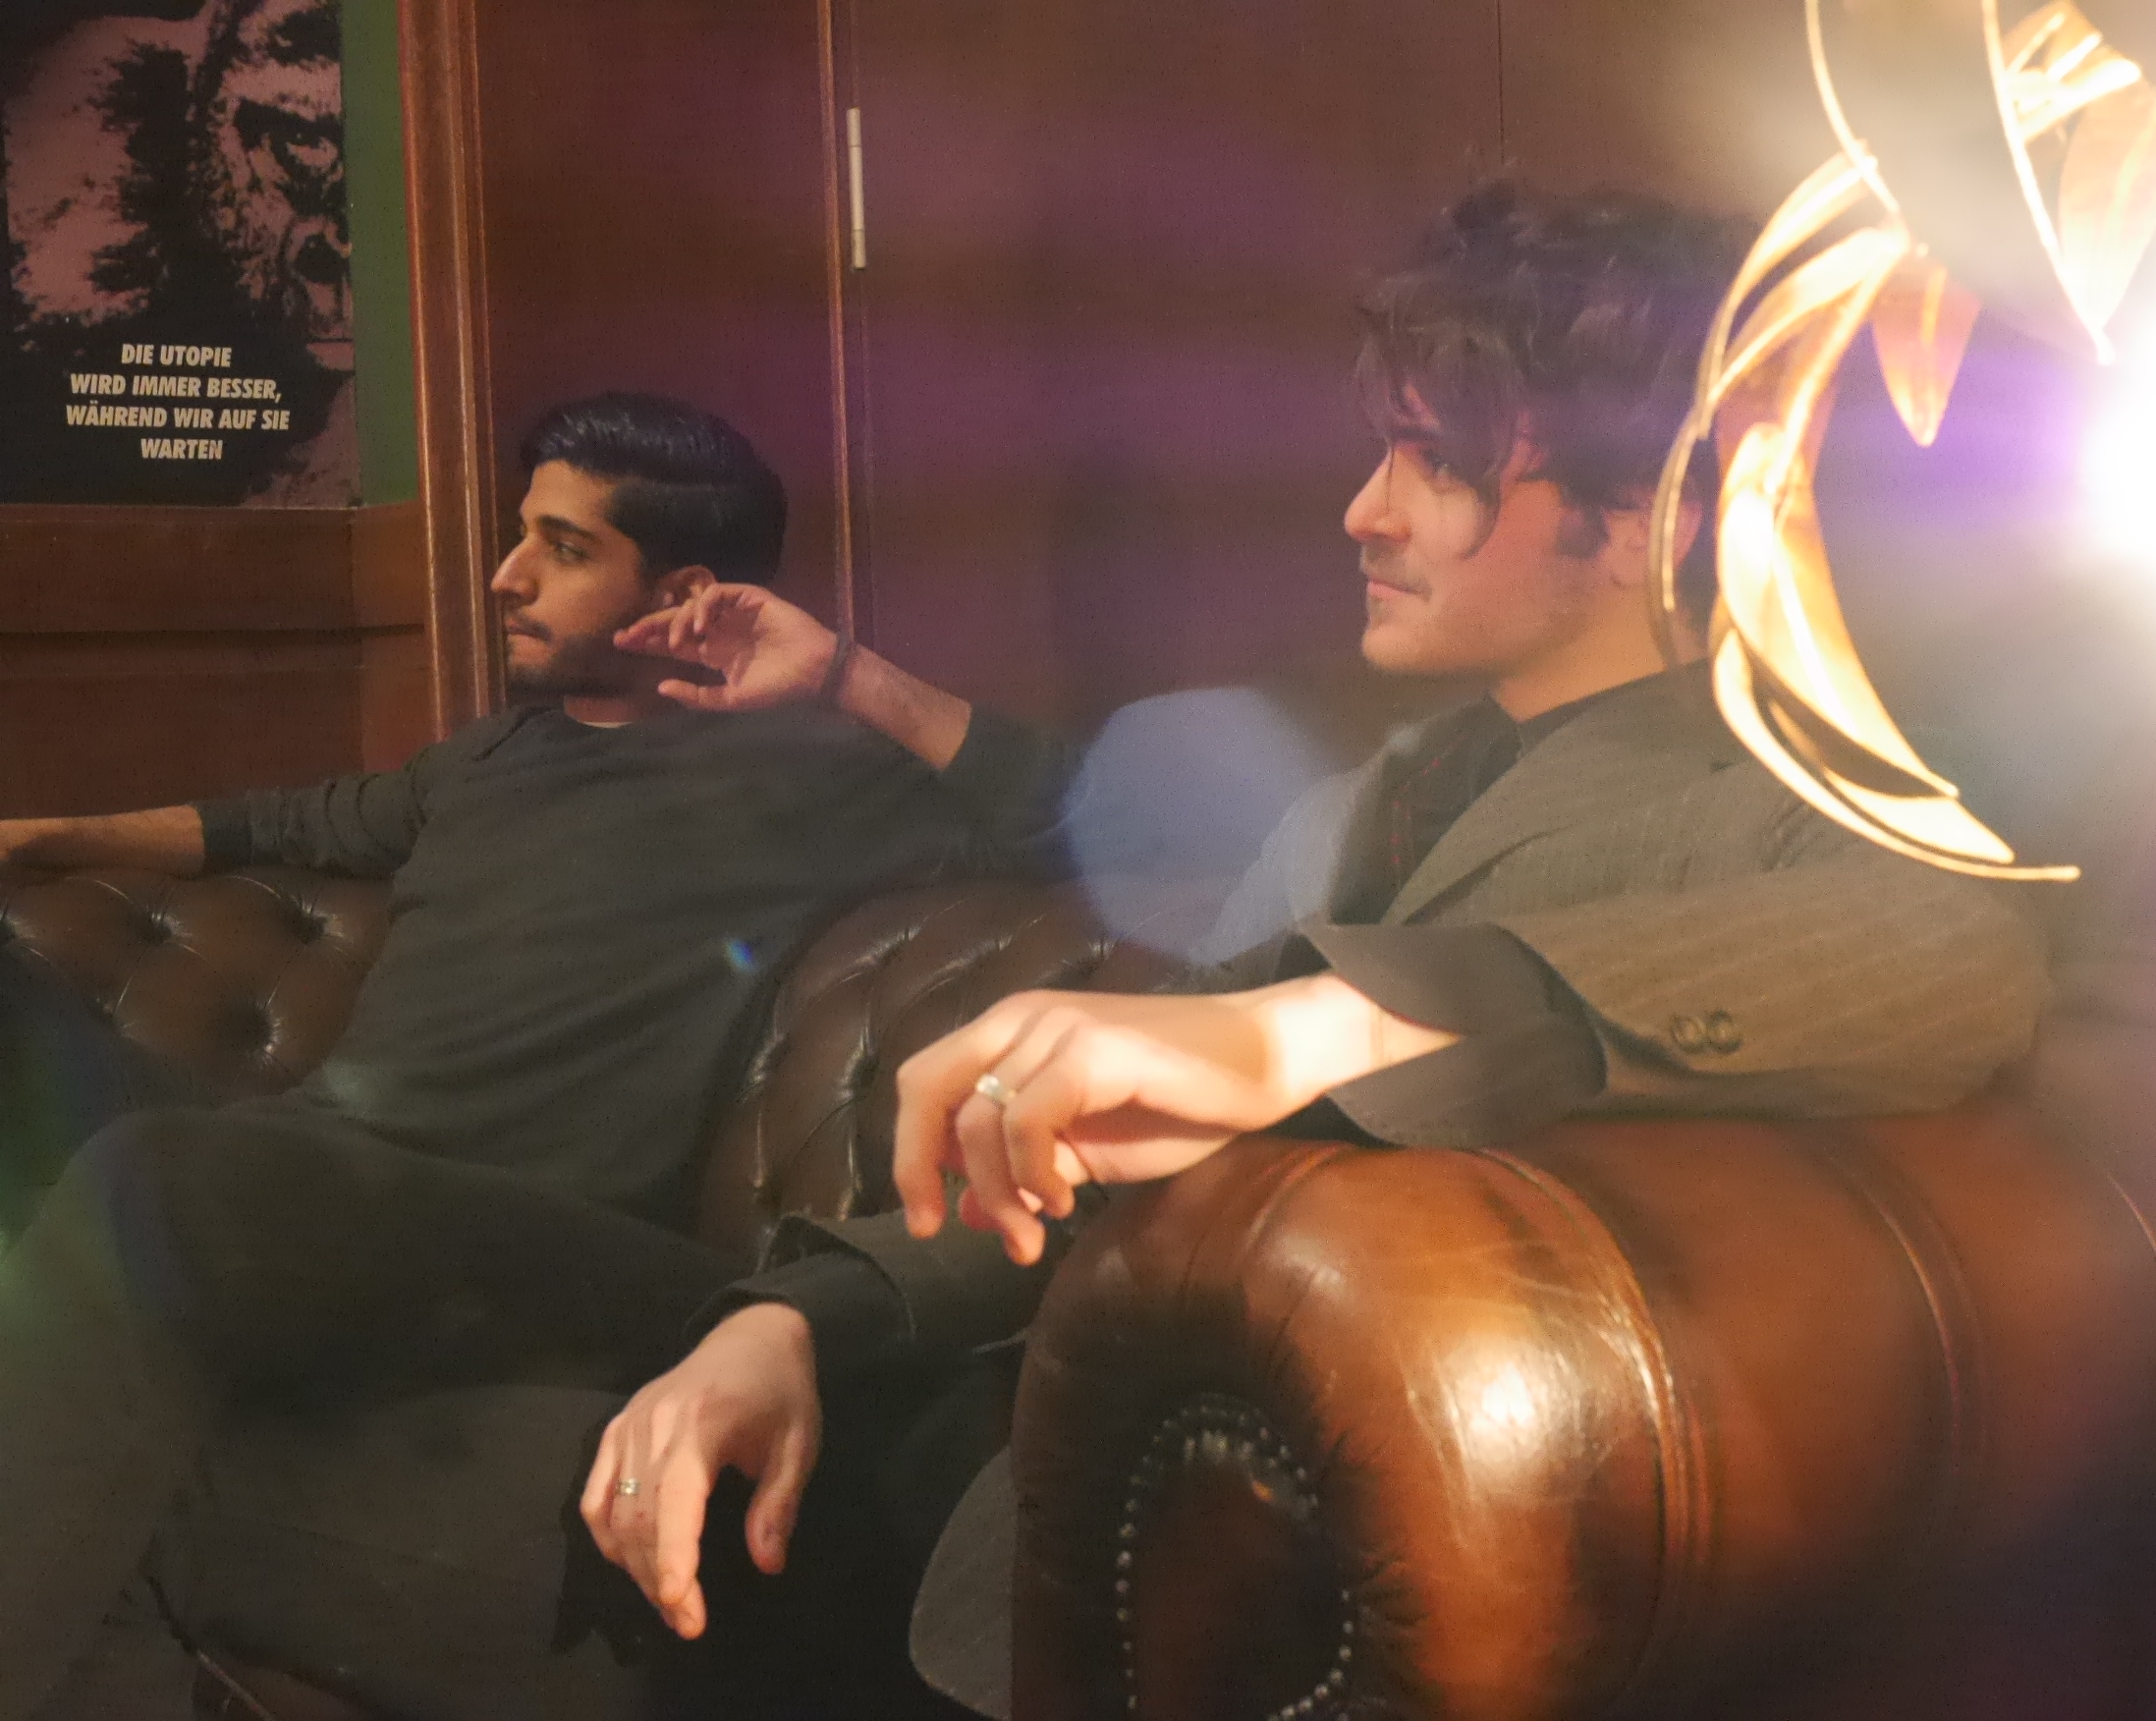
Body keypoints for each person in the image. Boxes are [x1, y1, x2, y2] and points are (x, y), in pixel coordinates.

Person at [596, 185, 2050, 1715]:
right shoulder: (1380, 793)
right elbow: (1097, 1155)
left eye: (1440, 464)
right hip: (1019, 1505)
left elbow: (1952, 952)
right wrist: (798, 1320)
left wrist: (1324, 1026)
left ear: (1660, 516)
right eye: (1382, 454)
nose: (1364, 511)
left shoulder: (1800, 786)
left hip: (1262, 1586)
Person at [0, 391, 1054, 1720]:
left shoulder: (817, 775)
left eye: (561, 548)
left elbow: (1106, 818)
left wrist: (850, 676)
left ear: (683, 593)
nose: (505, 575)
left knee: (162, 1184)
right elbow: (276, 821)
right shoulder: (492, 757)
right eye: (520, 535)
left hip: (564, 1251)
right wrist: (33, 836)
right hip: (323, 1196)